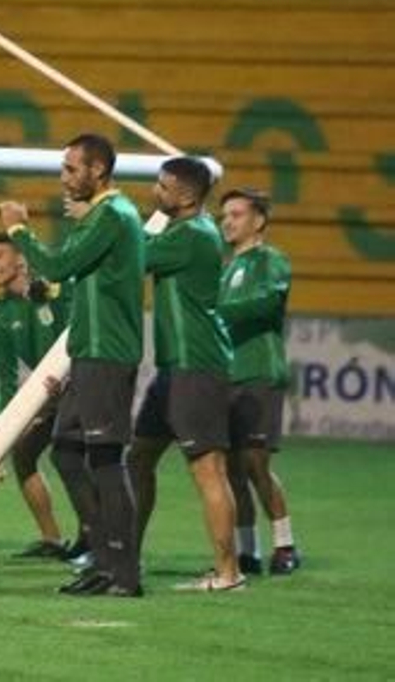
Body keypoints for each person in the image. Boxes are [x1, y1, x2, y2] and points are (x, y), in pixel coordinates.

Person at [0, 132, 145, 598]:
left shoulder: (114, 214)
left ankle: (123, 571)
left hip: (107, 352)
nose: (63, 178)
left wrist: (20, 231)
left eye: (70, 168)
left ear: (97, 170)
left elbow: (58, 267)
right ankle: (101, 557)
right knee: (65, 447)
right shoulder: (103, 216)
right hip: (88, 351)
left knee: (105, 458)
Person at [127, 157, 244, 592]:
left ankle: (229, 573)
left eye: (162, 187)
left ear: (187, 196)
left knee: (208, 470)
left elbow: (132, 254)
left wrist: (142, 219)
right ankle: (128, 558)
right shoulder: (187, 230)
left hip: (198, 366)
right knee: (138, 456)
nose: (154, 192)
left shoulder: (192, 235)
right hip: (174, 368)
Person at [218, 187, 302, 576]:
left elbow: (268, 303)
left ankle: (285, 545)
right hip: (228, 375)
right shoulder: (227, 268)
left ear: (259, 221)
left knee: (255, 462)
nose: (227, 222)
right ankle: (247, 551)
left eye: (236, 214)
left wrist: (214, 311)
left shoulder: (272, 260)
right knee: (233, 467)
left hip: (259, 371)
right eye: (224, 216)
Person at [0, 231, 77, 560]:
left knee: (78, 458)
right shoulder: (0, 317)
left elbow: (85, 325)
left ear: (21, 258)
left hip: (88, 382)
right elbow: (2, 379)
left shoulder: (58, 287)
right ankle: (53, 540)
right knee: (24, 454)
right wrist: (0, 435)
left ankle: (101, 542)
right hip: (53, 395)